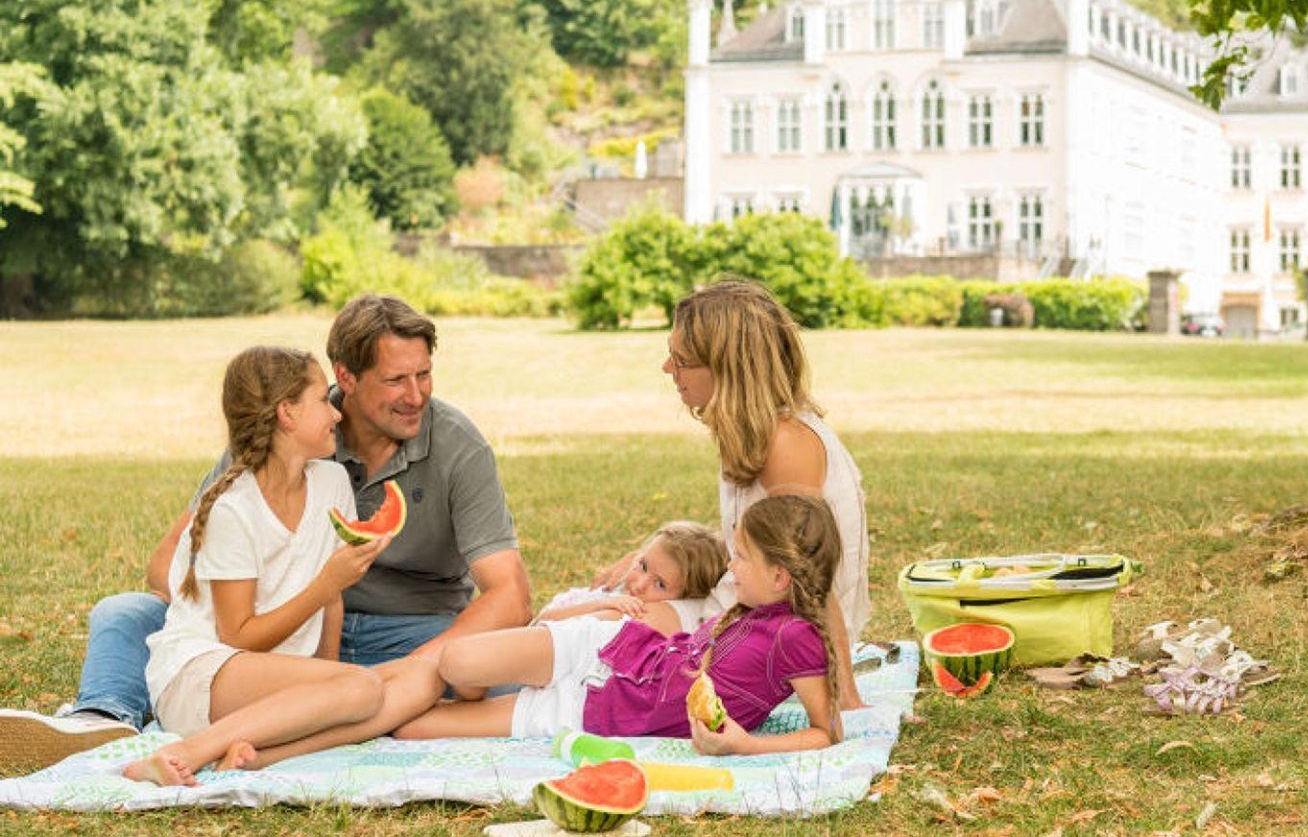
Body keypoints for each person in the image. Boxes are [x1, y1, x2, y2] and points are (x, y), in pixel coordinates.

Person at [0, 295, 532, 772]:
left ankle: (286, 732)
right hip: (265, 635)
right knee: (125, 613)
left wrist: (427, 664)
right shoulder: (276, 438)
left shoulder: (454, 447)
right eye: (396, 380)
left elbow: (510, 595)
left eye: (424, 375)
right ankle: (101, 720)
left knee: (507, 671)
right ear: (345, 378)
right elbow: (171, 563)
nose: (416, 395)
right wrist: (246, 603)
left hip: (406, 631)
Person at [589, 278, 871, 707]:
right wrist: (654, 558)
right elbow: (755, 544)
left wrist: (845, 700)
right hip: (746, 613)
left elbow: (811, 577)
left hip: (767, 639)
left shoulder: (787, 445)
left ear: (728, 370)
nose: (667, 368)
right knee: (603, 611)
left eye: (681, 360)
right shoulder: (758, 431)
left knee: (599, 632)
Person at [394, 495, 847, 755]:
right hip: (607, 647)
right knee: (456, 662)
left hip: (593, 712)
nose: (731, 566)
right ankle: (466, 689)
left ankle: (437, 694)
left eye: (743, 557)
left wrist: (746, 745)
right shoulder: (749, 606)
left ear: (779, 577)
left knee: (409, 729)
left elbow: (825, 732)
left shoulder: (795, 638)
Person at [121, 347, 389, 785]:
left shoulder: (333, 482)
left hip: (272, 678)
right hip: (204, 673)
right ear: (287, 413)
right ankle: (185, 752)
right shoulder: (234, 509)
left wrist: (329, 684)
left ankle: (255, 755)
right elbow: (238, 636)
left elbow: (332, 603)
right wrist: (325, 589)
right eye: (323, 400)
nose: (337, 414)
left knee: (400, 688)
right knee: (365, 689)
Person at [536, 521, 727, 636]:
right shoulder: (608, 597)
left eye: (660, 584)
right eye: (643, 566)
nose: (640, 585)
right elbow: (540, 622)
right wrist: (601, 605)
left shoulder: (661, 622)